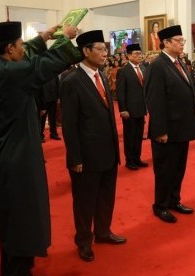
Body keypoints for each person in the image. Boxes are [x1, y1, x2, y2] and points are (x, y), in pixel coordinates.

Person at [0, 21, 80, 275]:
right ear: (10, 48)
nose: (24, 49)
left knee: (15, 223)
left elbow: (27, 60)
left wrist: (42, 38)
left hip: (6, 158)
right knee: (19, 224)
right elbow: (38, 66)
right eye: (21, 45)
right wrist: (64, 40)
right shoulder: (7, 73)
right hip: (14, 161)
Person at [60, 30, 126, 262]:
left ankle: (103, 231)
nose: (104, 53)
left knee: (107, 195)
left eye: (105, 49)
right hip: (86, 156)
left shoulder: (102, 76)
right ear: (85, 51)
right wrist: (75, 158)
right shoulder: (71, 80)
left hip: (108, 151)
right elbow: (69, 124)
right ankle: (84, 241)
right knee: (85, 201)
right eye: (99, 49)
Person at [144, 25, 195, 223]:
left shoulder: (179, 63)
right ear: (165, 43)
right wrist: (160, 130)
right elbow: (155, 101)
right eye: (178, 41)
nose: (182, 44)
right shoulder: (158, 65)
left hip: (181, 128)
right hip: (167, 130)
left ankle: (174, 200)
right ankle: (161, 206)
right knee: (165, 170)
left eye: (183, 41)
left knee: (178, 168)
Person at [116, 43, 148, 170]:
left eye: (140, 53)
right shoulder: (123, 71)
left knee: (139, 136)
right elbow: (120, 92)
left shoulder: (143, 69)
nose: (139, 56)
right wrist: (123, 109)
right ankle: (130, 160)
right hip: (129, 110)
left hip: (141, 109)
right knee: (130, 136)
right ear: (129, 56)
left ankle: (137, 158)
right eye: (136, 54)